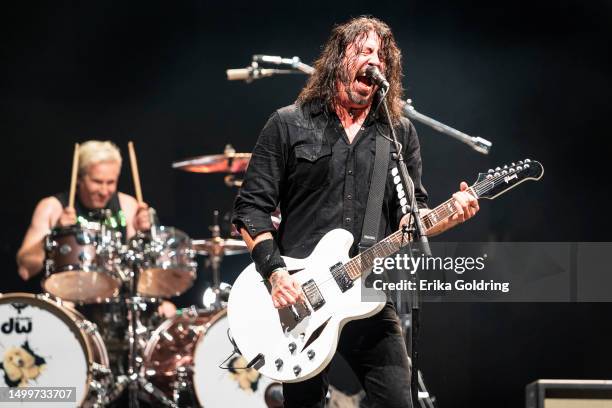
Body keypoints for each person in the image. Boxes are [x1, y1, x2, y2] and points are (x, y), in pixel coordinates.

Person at [232, 16, 479, 408]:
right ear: (337, 59)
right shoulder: (289, 123)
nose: (374, 61)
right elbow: (250, 210)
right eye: (364, 51)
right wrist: (276, 274)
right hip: (297, 300)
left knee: (400, 401)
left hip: (366, 295)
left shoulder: (395, 135)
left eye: (381, 56)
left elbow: (410, 216)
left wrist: (447, 215)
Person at [16, 140, 176, 317]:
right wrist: (55, 233)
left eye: (111, 182)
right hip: (69, 302)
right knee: (63, 309)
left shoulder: (128, 206)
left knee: (167, 311)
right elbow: (25, 268)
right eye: (97, 182)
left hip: (116, 304)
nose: (104, 190)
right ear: (79, 178)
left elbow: (140, 270)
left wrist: (144, 235)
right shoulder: (52, 207)